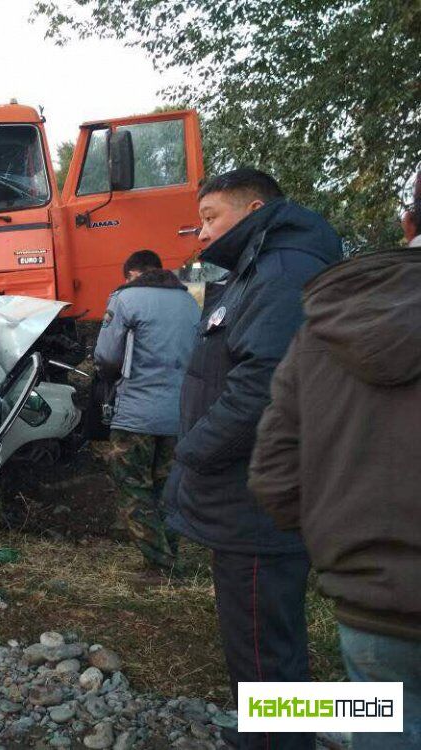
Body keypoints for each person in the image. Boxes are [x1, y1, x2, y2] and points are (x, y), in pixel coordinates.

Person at [163, 169, 342, 750]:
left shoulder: (283, 269)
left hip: (257, 502)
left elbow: (262, 384)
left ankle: (281, 742)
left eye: (211, 217)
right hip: (246, 496)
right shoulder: (259, 268)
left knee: (265, 649)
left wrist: (193, 451)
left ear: (254, 208)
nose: (201, 233)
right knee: (260, 642)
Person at [249, 172, 421, 750]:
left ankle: (294, 717)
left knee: (388, 721)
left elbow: (274, 475)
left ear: (407, 223)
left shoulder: (324, 325)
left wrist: (340, 543)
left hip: (371, 600)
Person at [94, 249, 199, 572]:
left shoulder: (125, 298)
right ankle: (170, 554)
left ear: (131, 274)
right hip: (179, 415)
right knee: (167, 488)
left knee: (133, 487)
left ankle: (161, 563)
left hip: (135, 414)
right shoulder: (190, 303)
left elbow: (106, 356)